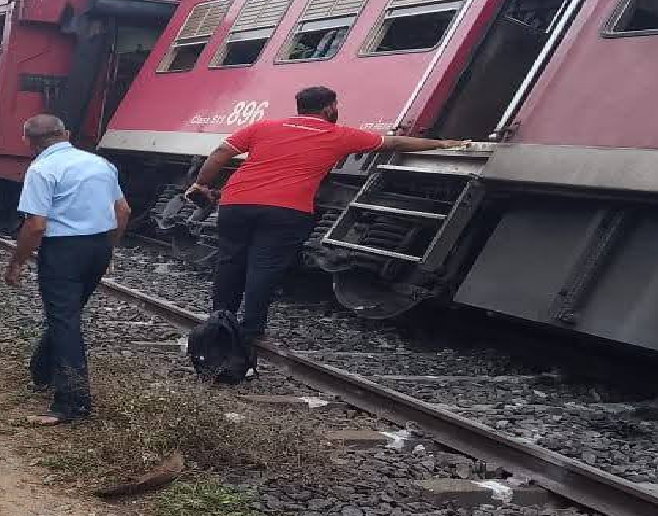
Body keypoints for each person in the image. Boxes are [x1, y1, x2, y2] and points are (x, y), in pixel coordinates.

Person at [187, 86, 466, 339]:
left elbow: (221, 152)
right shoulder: (338, 135)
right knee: (264, 267)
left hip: (237, 203)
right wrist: (443, 144)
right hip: (287, 209)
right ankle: (251, 328)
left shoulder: (263, 127)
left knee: (230, 261)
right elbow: (393, 143)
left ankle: (218, 320)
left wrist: (201, 184)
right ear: (330, 107)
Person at [4, 114, 130, 425]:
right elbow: (123, 210)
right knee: (67, 315)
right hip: (98, 245)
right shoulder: (100, 164)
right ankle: (42, 370)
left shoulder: (42, 168)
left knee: (63, 320)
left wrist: (17, 261)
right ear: (67, 132)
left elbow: (35, 225)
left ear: (28, 141)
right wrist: (108, 246)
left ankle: (73, 401)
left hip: (64, 250)